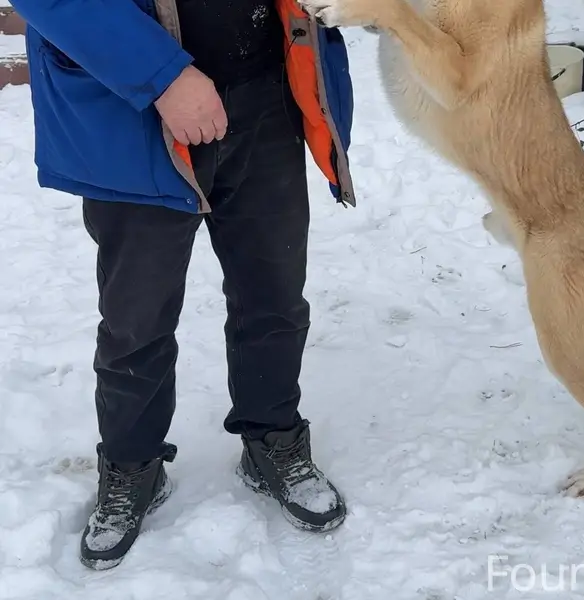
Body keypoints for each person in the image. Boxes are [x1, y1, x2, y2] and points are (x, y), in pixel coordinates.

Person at [10, 0, 356, 570]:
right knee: (136, 317)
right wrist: (161, 75)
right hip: (131, 106)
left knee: (274, 293)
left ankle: (272, 437)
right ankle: (131, 464)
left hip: (265, 88)